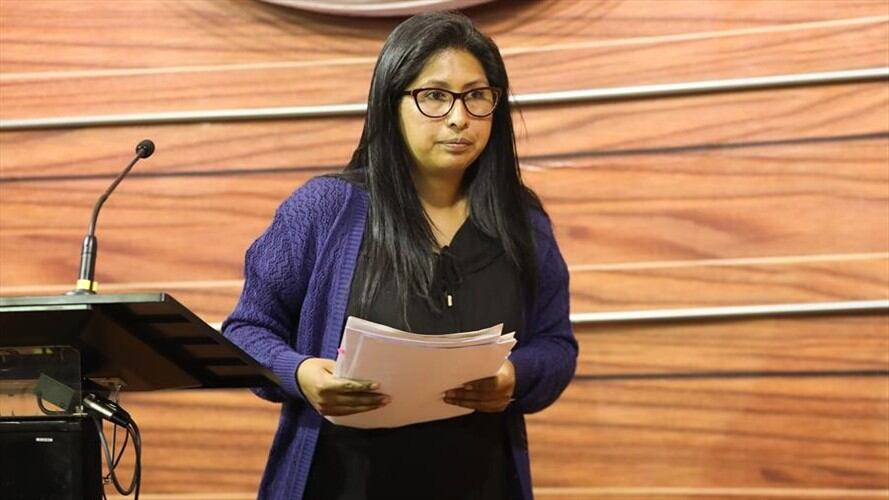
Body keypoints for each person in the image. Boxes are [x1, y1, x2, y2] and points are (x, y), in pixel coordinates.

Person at [222, 11, 577, 500]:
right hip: (341, 481)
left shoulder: (523, 221)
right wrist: (301, 374)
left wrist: (517, 377)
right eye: (434, 95)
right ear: (390, 103)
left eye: (477, 96)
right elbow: (245, 331)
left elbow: (557, 346)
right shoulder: (326, 209)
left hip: (480, 481)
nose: (459, 117)